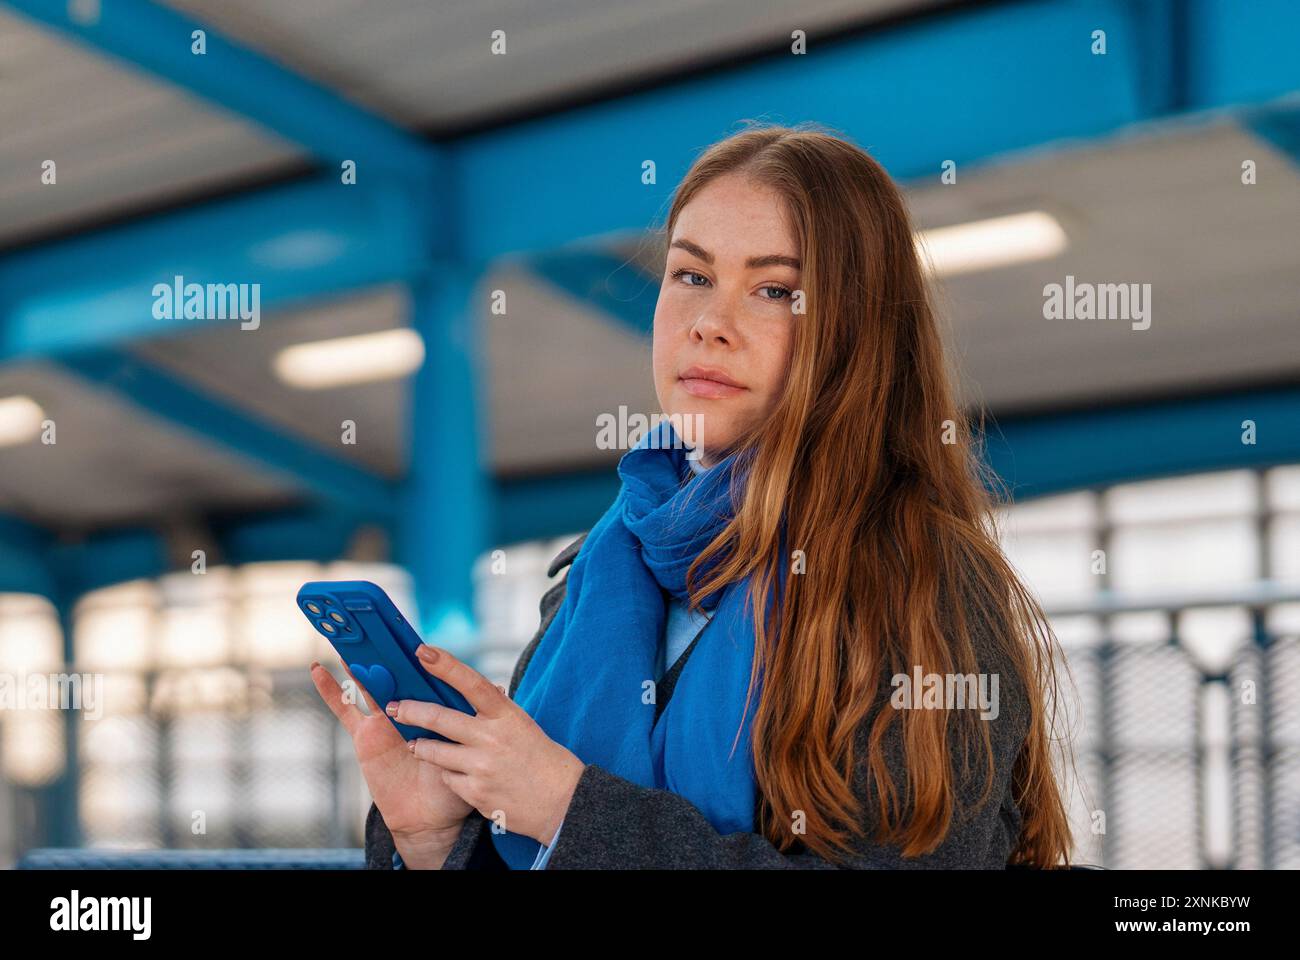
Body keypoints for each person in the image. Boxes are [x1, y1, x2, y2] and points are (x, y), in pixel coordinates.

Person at [312, 122, 1076, 869]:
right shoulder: (595, 576)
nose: (711, 323)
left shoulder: (917, 584)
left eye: (776, 290)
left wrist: (569, 811)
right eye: (692, 275)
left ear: (853, 334)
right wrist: (437, 843)